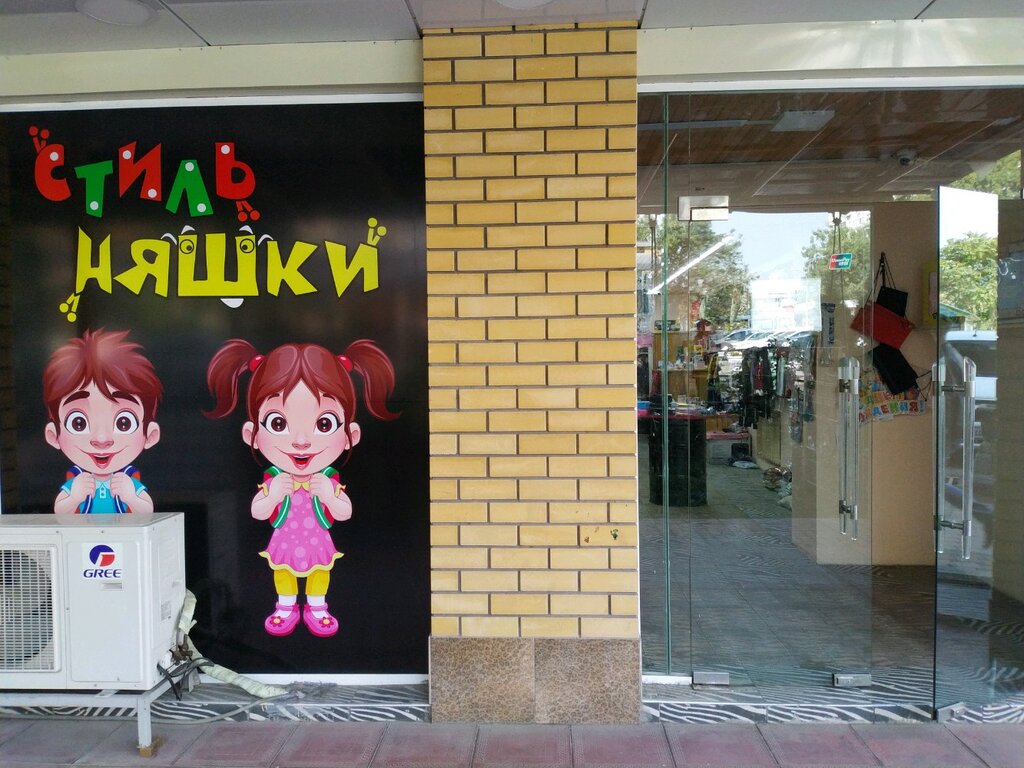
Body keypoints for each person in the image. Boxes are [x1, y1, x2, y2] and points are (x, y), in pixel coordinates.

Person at [205, 339, 398, 638]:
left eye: (324, 424)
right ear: (251, 434)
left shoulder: (328, 479)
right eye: (278, 423)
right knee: (282, 572)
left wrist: (329, 495)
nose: (301, 441)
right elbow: (258, 512)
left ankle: (317, 607)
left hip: (317, 540)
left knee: (320, 572)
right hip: (284, 540)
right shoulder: (274, 478)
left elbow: (344, 512)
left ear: (351, 435)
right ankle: (285, 606)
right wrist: (273, 495)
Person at [43, 329, 163, 515]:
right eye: (78, 423)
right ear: (53, 435)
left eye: (124, 423)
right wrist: (74, 497)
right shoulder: (76, 481)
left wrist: (131, 497)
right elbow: (60, 512)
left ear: (150, 435)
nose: (101, 439)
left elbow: (147, 512)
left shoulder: (128, 480)